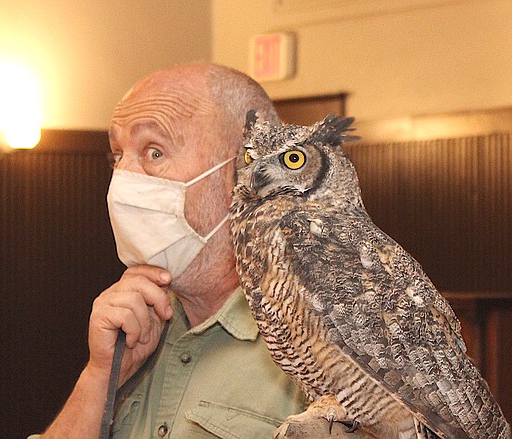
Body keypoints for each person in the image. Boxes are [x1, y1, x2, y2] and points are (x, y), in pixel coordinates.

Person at [36, 63, 364, 438]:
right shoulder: (132, 326)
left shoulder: (322, 341)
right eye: (117, 156)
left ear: (243, 170)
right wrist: (99, 376)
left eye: (154, 152)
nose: (123, 177)